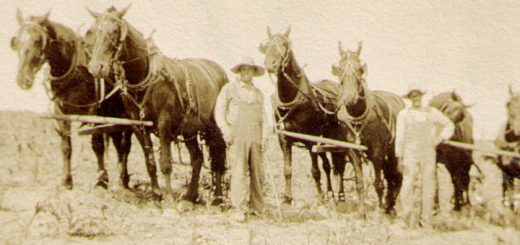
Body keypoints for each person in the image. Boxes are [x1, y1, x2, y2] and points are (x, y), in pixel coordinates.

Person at [214, 57, 269, 222]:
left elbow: (264, 117)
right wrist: (226, 131)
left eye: (249, 69)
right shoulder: (229, 89)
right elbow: (219, 112)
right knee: (238, 172)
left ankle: (257, 207)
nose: (246, 72)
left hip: (256, 136)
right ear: (239, 71)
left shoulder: (258, 93)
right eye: (243, 69)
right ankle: (238, 208)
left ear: (253, 72)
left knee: (257, 172)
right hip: (237, 136)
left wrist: (265, 136)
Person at [395, 86, 455, 228]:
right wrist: (399, 157)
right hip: (410, 152)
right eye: (413, 96)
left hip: (428, 153)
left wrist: (439, 139)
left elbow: (449, 125)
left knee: (428, 185)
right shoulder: (404, 114)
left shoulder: (431, 112)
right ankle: (403, 218)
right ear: (409, 98)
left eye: (418, 96)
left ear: (422, 96)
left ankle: (426, 220)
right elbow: (400, 137)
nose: (416, 99)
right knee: (408, 184)